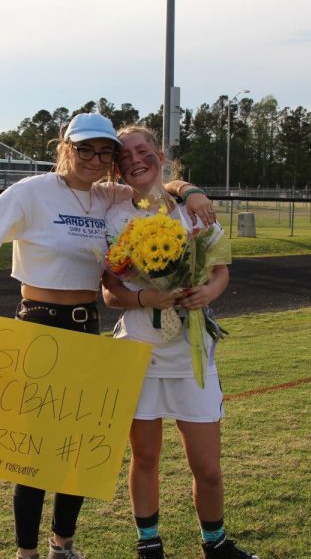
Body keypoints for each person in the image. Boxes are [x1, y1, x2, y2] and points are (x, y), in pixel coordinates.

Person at [0, 113, 214, 559]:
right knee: (36, 452)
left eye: (104, 151)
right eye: (85, 148)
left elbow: (155, 184)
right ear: (65, 147)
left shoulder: (105, 195)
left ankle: (63, 546)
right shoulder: (32, 192)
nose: (95, 158)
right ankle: (27, 552)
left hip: (84, 325)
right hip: (38, 323)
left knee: (77, 447)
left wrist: (190, 190)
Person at [100, 126, 255, 559]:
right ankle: (149, 547)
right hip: (138, 351)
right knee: (144, 459)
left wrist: (209, 292)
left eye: (143, 150)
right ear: (116, 167)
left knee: (206, 466)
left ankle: (216, 544)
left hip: (191, 354)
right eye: (124, 155)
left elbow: (221, 269)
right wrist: (146, 297)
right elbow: (111, 292)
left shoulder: (193, 210)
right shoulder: (114, 216)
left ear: (160, 154)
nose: (135, 159)